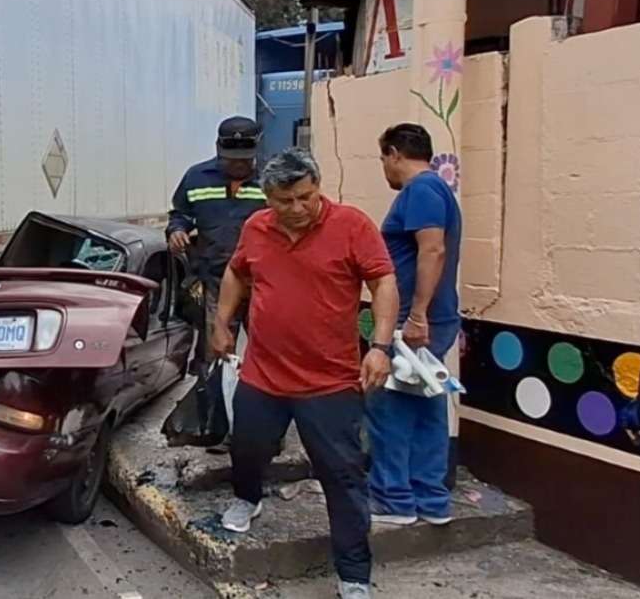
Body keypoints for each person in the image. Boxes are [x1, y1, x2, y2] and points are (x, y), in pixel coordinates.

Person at [210, 148, 399, 599]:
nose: (297, 209)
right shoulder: (256, 228)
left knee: (343, 475)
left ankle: (353, 575)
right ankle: (247, 498)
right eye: (285, 201)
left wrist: (380, 346)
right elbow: (236, 274)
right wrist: (222, 322)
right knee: (248, 447)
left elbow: (384, 281)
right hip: (262, 374)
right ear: (268, 198)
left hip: (329, 383)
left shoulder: (351, 225)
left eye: (305, 197)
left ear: (317, 188)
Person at [367, 124, 463, 527]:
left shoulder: (421, 190)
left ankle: (394, 499)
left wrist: (416, 314)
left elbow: (433, 248)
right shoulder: (437, 190)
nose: (384, 169)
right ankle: (431, 499)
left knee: (387, 407)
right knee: (426, 407)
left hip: (413, 322)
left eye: (383, 159)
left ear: (393, 153)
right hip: (429, 319)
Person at [167, 116, 267, 359]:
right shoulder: (196, 177)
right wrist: (177, 230)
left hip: (262, 282)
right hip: (215, 281)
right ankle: (215, 395)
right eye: (232, 159)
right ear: (218, 149)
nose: (238, 165)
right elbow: (180, 213)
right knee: (217, 350)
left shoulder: (271, 180)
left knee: (268, 351)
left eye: (245, 159)